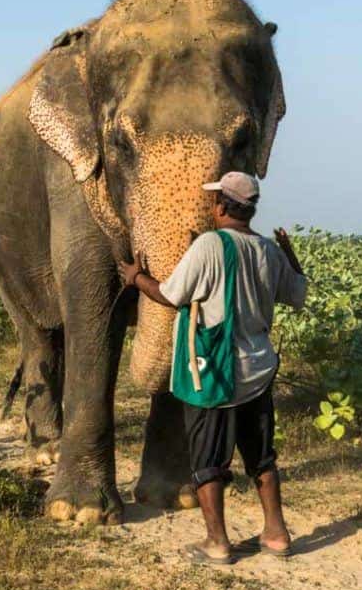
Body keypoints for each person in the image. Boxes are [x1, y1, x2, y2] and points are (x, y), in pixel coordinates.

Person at [118, 171, 307, 565]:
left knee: (208, 461)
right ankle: (276, 534)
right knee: (262, 457)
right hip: (258, 370)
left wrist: (136, 278)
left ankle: (217, 542)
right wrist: (290, 255)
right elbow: (297, 294)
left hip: (217, 374)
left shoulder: (209, 245)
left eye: (214, 200)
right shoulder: (268, 250)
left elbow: (171, 295)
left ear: (221, 205)